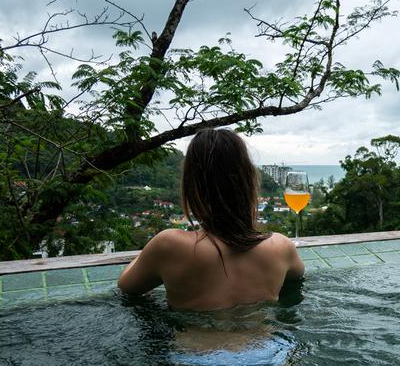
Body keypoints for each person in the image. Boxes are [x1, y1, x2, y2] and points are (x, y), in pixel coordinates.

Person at [118, 128, 305, 310]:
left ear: (193, 187)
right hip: (268, 341)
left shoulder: (169, 245)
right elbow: (297, 278)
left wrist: (147, 254)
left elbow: (127, 287)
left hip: (195, 340)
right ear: (248, 183)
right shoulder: (281, 247)